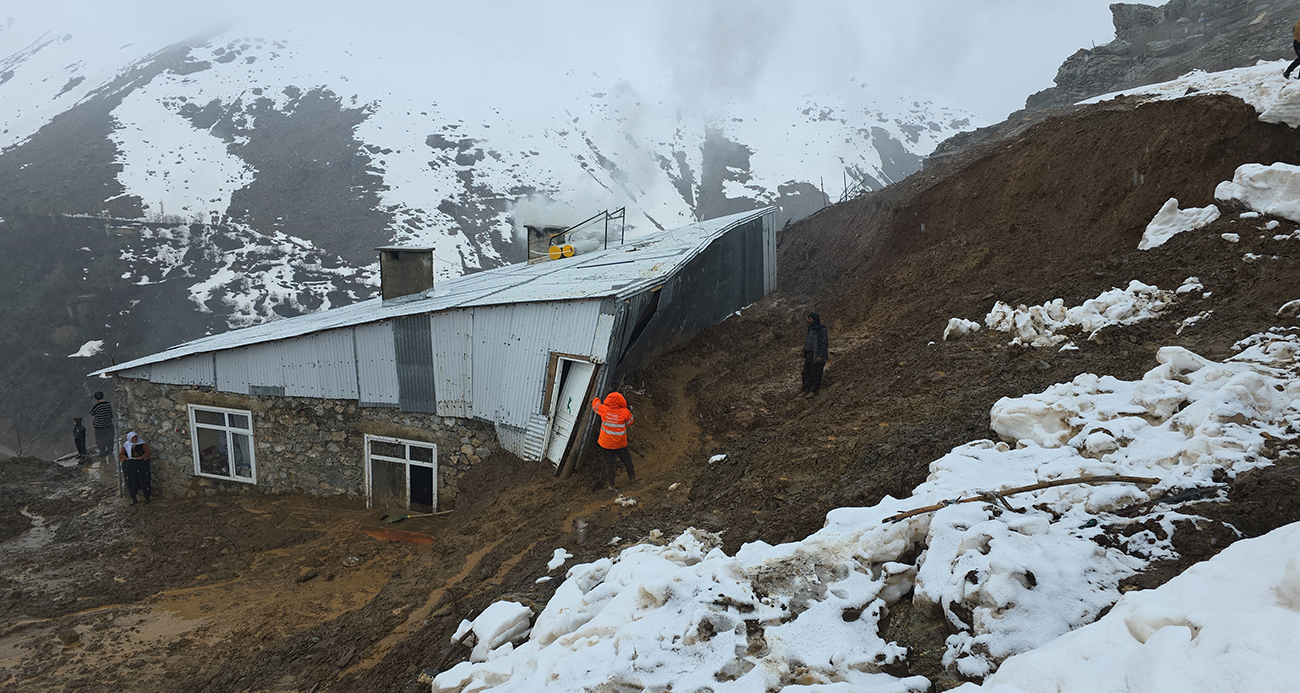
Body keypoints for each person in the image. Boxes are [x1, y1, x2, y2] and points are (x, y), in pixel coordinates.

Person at [591, 392, 635, 491]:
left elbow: (595, 406)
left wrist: (595, 399)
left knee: (609, 463)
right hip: (620, 443)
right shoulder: (625, 412)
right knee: (627, 460)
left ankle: (612, 484)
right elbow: (630, 422)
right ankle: (632, 477)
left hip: (606, 444)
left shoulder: (604, 409)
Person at [119, 432, 152, 505]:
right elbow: (121, 454)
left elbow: (148, 453)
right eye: (133, 438)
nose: (135, 439)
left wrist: (141, 457)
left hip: (141, 465)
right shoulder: (126, 445)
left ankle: (147, 497)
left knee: (144, 481)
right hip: (130, 467)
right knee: (131, 482)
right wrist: (126, 458)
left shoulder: (142, 444)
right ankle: (134, 499)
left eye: (135, 437)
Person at [801, 312, 829, 397]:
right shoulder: (810, 329)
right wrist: (803, 350)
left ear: (815, 320)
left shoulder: (822, 330)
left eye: (810, 319)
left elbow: (824, 344)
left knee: (815, 373)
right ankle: (806, 389)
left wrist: (821, 356)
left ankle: (814, 390)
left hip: (816, 354)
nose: (808, 321)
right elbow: (807, 341)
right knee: (806, 372)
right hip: (809, 354)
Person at [90, 392, 115, 457]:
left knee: (100, 440)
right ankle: (110, 450)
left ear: (96, 398)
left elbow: (92, 413)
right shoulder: (108, 404)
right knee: (110, 438)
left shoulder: (97, 406)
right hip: (108, 424)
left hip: (99, 426)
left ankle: (102, 452)